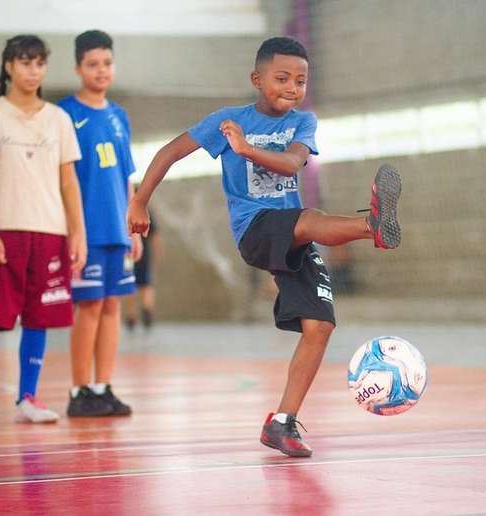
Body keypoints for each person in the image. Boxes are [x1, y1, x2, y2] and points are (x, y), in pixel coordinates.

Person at [127, 37, 401, 457]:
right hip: (255, 230)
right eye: (282, 78)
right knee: (309, 218)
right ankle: (371, 226)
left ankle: (282, 423)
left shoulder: (303, 123)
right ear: (257, 79)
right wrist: (141, 200)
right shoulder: (227, 119)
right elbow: (170, 151)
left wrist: (247, 149)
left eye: (301, 81)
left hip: (293, 233)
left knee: (320, 325)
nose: (292, 88)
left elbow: (292, 163)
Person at [0, 35, 86, 425]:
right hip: (5, 232)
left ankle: (28, 397)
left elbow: (69, 183)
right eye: (25, 63)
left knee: (39, 318)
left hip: (50, 233)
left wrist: (76, 233)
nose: (33, 71)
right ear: (9, 65)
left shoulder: (59, 119)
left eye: (39, 63)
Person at [59, 30, 139, 417]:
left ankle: (101, 385)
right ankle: (78, 391)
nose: (101, 70)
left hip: (118, 231)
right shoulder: (65, 114)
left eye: (106, 63)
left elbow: (127, 177)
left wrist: (135, 226)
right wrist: (73, 231)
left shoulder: (120, 115)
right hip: (85, 232)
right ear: (77, 68)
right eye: (92, 64)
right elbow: (63, 178)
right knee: (88, 307)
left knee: (112, 307)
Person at [124, 207, 161, 331]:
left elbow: (155, 235)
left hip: (129, 254)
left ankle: (132, 315)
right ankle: (145, 311)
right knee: (145, 284)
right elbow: (155, 236)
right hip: (141, 254)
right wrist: (156, 253)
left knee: (131, 283)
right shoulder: (146, 210)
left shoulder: (126, 208)